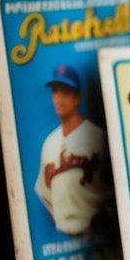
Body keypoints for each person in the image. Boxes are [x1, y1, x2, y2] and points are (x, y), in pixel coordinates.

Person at [34, 63, 111, 235]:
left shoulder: (98, 137)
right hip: (65, 238)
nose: (59, 99)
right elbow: (45, 194)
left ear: (77, 98)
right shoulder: (49, 143)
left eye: (66, 93)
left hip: (99, 234)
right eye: (55, 92)